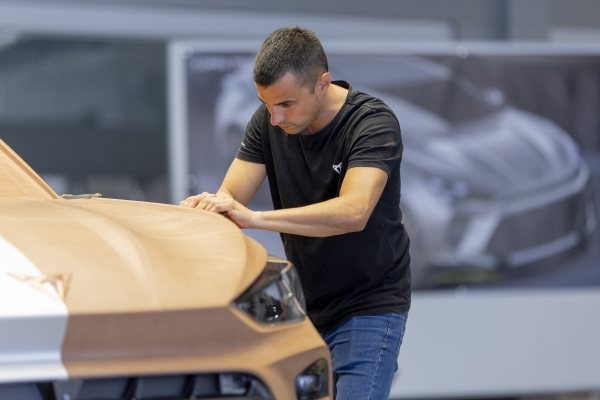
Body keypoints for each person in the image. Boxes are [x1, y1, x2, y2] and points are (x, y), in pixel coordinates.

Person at [181, 26, 410, 400]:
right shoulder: (267, 121)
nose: (275, 118)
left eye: (286, 104)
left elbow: (354, 211)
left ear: (322, 83)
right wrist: (209, 208)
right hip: (305, 304)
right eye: (266, 104)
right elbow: (231, 196)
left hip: (370, 303)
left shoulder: (371, 123)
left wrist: (254, 218)